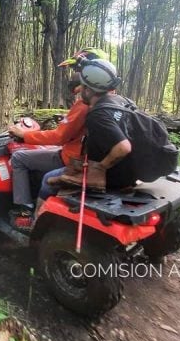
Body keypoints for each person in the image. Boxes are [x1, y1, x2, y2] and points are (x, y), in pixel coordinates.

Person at [6, 47, 108, 231]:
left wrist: (24, 135)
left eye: (78, 72)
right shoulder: (111, 100)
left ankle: (26, 213)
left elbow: (59, 136)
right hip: (92, 160)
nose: (75, 77)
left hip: (75, 161)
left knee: (19, 158)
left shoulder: (85, 104)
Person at [53, 58, 177, 192]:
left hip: (113, 177)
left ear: (88, 89)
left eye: (82, 86)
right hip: (130, 172)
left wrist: (99, 169)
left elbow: (123, 147)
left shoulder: (98, 114)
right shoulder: (122, 100)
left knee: (46, 180)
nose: (79, 89)